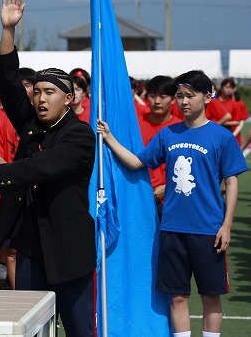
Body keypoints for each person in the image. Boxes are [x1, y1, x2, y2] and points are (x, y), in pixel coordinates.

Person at [0, 0, 97, 336]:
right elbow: (7, 82)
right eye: (37, 92)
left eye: (49, 92)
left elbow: (43, 167)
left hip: (69, 249)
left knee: (80, 329)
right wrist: (8, 30)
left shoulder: (80, 135)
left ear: (69, 98)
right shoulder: (33, 125)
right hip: (31, 248)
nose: (40, 98)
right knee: (32, 328)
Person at [98, 70, 247, 337]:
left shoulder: (221, 136)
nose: (184, 101)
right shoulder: (169, 135)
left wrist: (226, 225)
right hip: (172, 230)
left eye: (190, 95)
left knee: (210, 296)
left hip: (208, 230)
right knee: (177, 297)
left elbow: (232, 182)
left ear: (207, 96)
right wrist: (109, 138)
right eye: (179, 96)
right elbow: (137, 162)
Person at [138, 75, 182, 218]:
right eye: (152, 96)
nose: (157, 101)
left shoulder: (181, 129)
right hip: (138, 195)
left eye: (163, 96)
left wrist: (168, 188)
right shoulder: (135, 125)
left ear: (173, 99)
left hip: (169, 199)